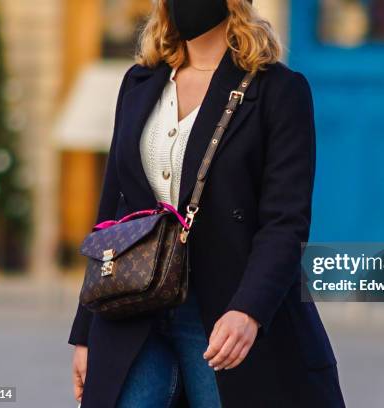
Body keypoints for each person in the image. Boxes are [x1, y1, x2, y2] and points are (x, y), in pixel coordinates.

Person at [69, 0, 344, 407]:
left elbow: (285, 222)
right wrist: (85, 331)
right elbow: (111, 214)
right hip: (133, 306)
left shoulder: (279, 91)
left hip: (224, 313)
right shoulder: (139, 82)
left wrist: (249, 310)